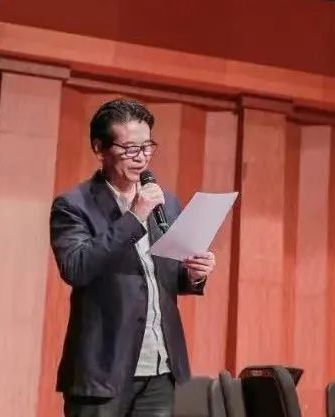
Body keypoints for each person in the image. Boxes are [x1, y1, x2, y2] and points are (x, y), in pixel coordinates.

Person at [50, 98, 216, 417]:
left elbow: (163, 274)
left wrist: (194, 274)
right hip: (103, 372)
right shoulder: (74, 205)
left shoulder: (166, 202)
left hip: (160, 368)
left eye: (147, 146)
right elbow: (76, 267)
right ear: (100, 148)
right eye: (129, 149)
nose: (141, 157)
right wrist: (134, 217)